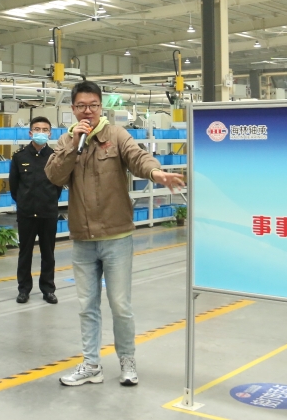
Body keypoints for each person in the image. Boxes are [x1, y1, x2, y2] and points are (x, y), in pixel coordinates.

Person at [47, 81, 184, 388]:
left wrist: (156, 173)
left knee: (120, 306)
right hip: (82, 239)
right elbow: (54, 175)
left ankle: (127, 360)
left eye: (93, 105)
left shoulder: (117, 135)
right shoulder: (67, 141)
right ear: (73, 109)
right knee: (87, 306)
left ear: (101, 106)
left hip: (116, 236)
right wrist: (73, 143)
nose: (88, 111)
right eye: (81, 106)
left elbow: (138, 158)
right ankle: (91, 365)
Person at [10, 117, 64, 305]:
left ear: (50, 133)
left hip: (48, 212)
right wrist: (24, 202)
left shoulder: (55, 156)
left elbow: (58, 185)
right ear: (30, 133)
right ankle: (23, 289)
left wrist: (48, 200)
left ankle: (48, 289)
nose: (41, 132)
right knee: (25, 253)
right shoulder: (19, 156)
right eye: (37, 129)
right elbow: (14, 186)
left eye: (45, 129)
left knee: (48, 253)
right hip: (26, 213)